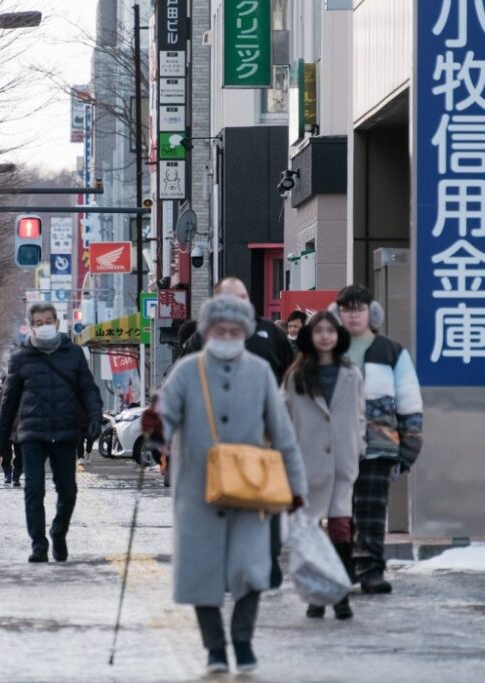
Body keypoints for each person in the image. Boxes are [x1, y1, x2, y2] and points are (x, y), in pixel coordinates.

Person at [144, 294, 307, 675]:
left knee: (250, 570)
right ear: (208, 331)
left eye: (235, 330)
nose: (227, 336)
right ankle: (214, 647)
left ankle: (243, 641)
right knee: (202, 573)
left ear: (246, 331)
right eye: (220, 329)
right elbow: (164, 422)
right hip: (196, 490)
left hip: (252, 488)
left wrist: (296, 487)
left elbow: (283, 434)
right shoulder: (187, 371)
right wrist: (154, 428)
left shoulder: (260, 372)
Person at [181, 277, 295, 588]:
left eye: (245, 296)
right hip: (217, 441)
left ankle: (268, 565)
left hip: (264, 437)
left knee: (267, 502)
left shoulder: (270, 332)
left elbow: (292, 373)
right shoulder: (203, 339)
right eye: (234, 298)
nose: (242, 302)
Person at [0, 302, 103, 563]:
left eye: (48, 320)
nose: (44, 326)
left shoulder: (74, 354)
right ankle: (38, 544)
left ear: (57, 322)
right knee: (34, 489)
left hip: (65, 431)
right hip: (32, 432)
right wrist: (0, 436)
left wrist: (95, 417)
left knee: (68, 490)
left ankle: (58, 530)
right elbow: (8, 399)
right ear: (31, 326)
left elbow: (87, 389)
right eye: (38, 322)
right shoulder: (21, 358)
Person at [333, 285, 423, 594]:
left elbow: (409, 401)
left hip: (379, 445)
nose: (353, 314)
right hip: (335, 447)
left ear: (371, 312)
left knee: (371, 513)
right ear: (337, 313)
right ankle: (340, 570)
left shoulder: (391, 351)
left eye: (359, 308)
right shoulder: (327, 348)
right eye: (347, 308)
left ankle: (371, 569)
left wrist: (409, 447)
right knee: (339, 513)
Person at [280, 311, 365, 620]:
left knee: (341, 531)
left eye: (331, 330)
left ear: (338, 336)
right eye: (320, 331)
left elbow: (359, 414)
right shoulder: (296, 376)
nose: (326, 336)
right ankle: (316, 595)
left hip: (342, 463)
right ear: (310, 337)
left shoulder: (351, 374)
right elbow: (283, 420)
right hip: (308, 464)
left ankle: (341, 594)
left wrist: (359, 446)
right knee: (312, 533)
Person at [0, 382, 23, 487]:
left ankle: (16, 476)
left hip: (21, 427)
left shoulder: (26, 392)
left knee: (20, 455)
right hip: (6, 428)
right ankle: (8, 474)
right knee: (5, 453)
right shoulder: (2, 393)